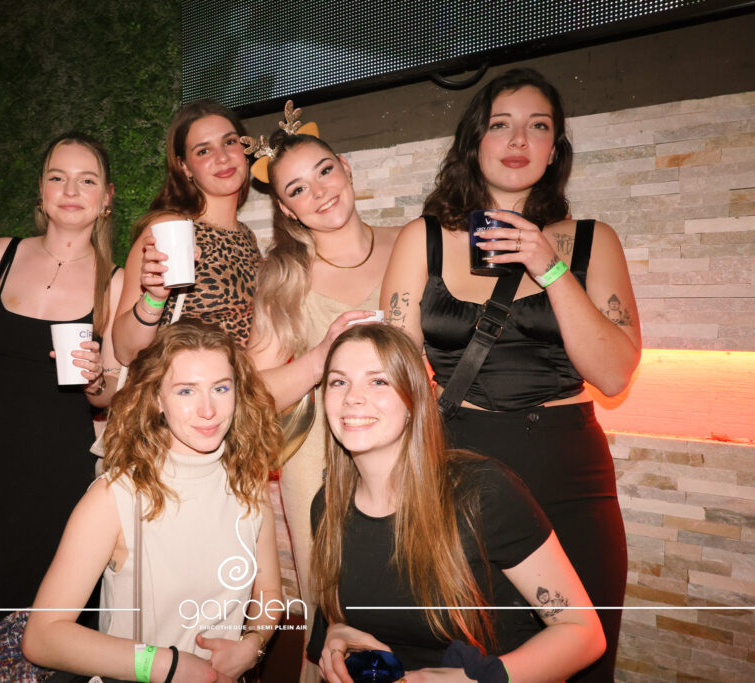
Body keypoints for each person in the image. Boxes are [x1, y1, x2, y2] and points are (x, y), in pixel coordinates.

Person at [381, 68, 639, 681]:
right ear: (475, 141)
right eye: (501, 124)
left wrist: (550, 268)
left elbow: (613, 374)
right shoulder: (423, 239)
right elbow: (392, 372)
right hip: (461, 467)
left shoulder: (591, 241)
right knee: (472, 657)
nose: (520, 139)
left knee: (580, 654)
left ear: (554, 151)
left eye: (538, 126)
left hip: (568, 469)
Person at [309, 324, 605, 682]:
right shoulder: (327, 507)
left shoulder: (480, 494)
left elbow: (583, 633)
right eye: (339, 381)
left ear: (414, 401)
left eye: (378, 381)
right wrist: (338, 631)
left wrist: (476, 679)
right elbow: (344, 616)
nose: (352, 397)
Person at [0, 132, 124, 679]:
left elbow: (110, 393)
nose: (71, 190)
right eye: (58, 177)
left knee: (46, 625)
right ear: (41, 191)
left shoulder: (114, 283)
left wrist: (97, 376)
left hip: (57, 478)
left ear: (106, 198)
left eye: (86, 180)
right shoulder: (0, 255)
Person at [21, 321, 284, 681]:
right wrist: (166, 665)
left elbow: (268, 590)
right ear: (157, 399)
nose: (208, 410)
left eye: (221, 388)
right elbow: (42, 637)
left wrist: (253, 645)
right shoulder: (114, 497)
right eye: (186, 391)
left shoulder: (248, 482)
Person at [244, 101, 403, 678]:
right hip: (320, 465)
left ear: (347, 168)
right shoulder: (284, 276)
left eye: (325, 171)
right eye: (297, 189)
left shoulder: (411, 245)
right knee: (339, 617)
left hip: (408, 454)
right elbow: (255, 393)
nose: (319, 192)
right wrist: (321, 355)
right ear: (286, 209)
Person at [111, 100, 260, 363]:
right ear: (185, 167)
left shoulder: (248, 237)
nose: (222, 157)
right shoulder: (169, 230)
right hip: (184, 384)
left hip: (241, 385)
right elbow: (125, 351)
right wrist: (153, 298)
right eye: (203, 151)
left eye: (229, 142)